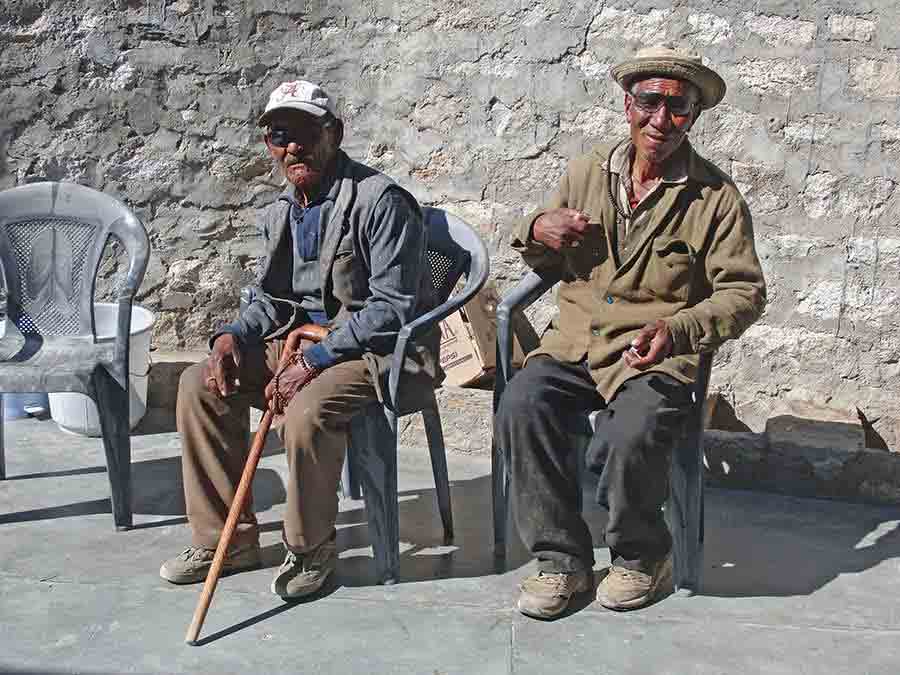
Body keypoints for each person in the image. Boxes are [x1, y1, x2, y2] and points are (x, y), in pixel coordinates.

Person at [496, 46, 767, 618]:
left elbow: (744, 293)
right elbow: (546, 255)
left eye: (678, 108)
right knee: (521, 403)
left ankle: (642, 556)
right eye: (650, 102)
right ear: (628, 104)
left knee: (632, 432)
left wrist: (679, 328)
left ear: (693, 116)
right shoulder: (585, 172)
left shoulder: (715, 198)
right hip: (575, 344)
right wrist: (536, 229)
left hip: (652, 355)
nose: (661, 120)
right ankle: (560, 560)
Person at [160, 80, 440, 599]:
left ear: (333, 133)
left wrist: (312, 360)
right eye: (278, 135)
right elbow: (273, 298)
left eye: (306, 132)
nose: (292, 147)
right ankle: (228, 538)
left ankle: (311, 547)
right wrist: (233, 333)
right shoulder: (283, 210)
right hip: (303, 342)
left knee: (309, 409)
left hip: (378, 349)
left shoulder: (380, 201)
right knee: (200, 384)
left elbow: (391, 309)